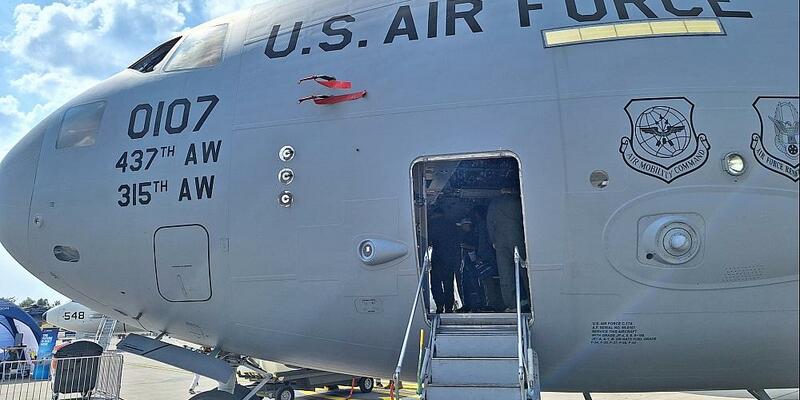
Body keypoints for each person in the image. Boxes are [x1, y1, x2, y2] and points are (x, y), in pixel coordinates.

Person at [486, 189, 530, 312]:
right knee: (525, 269)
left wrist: (493, 240)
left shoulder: (494, 203)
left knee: (505, 273)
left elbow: (489, 223)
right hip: (517, 238)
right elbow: (524, 219)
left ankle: (511, 304)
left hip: (500, 241)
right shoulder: (518, 201)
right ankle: (531, 300)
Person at [427, 208, 459, 313]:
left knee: (436, 283)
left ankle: (439, 306)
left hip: (437, 257)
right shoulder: (451, 224)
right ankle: (449, 307)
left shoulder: (431, 224)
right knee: (448, 283)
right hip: (449, 257)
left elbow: (429, 240)